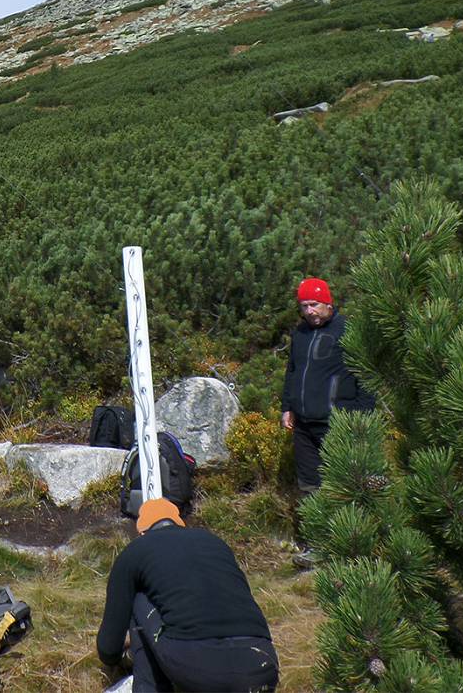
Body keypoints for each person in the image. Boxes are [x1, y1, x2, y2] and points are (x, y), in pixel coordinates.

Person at [96, 498, 279, 692]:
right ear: (179, 523)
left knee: (140, 598)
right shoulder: (214, 542)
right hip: (262, 666)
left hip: (200, 670)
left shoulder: (136, 551)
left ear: (141, 531)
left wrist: (120, 658)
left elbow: (108, 647)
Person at [280, 277, 376, 497]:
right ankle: (313, 530)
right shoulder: (300, 333)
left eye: (314, 304)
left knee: (342, 485)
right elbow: (292, 371)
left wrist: (359, 418)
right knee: (309, 487)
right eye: (304, 306)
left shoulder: (347, 331)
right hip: (303, 426)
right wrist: (287, 407)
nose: (309, 311)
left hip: (337, 424)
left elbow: (366, 377)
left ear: (328, 304)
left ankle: (347, 530)